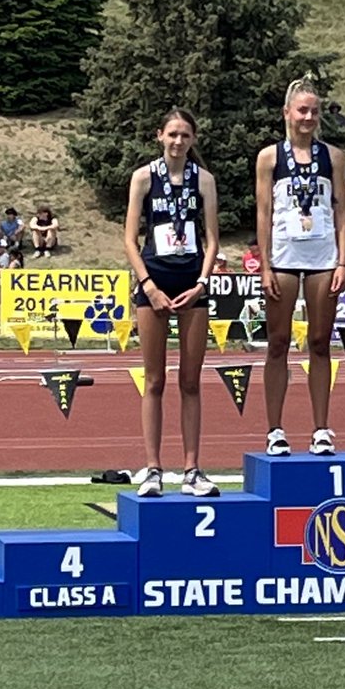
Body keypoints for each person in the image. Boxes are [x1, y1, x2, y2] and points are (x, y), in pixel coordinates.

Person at [124, 107, 221, 498]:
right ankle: (152, 469)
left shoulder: (205, 180)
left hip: (192, 282)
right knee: (154, 379)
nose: (178, 142)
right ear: (159, 136)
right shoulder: (144, 177)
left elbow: (212, 239)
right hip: (154, 280)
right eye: (172, 135)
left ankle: (192, 469)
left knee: (191, 381)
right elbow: (130, 238)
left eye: (185, 135)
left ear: (193, 139)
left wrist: (202, 282)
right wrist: (147, 286)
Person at [255, 76, 345, 455]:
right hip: (283, 258)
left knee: (319, 343)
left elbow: (340, 209)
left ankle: (321, 429)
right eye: (302, 110)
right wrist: (264, 264)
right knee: (277, 343)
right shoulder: (270, 157)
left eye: (314, 111)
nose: (308, 117)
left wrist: (343, 259)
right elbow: (263, 212)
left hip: (323, 258)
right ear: (287, 113)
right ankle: (275, 429)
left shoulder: (334, 157)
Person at [0, 246, 24, 328]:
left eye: (12, 255)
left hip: (6, 286)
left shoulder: (15, 263)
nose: (10, 257)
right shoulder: (15, 263)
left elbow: (8, 272)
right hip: (5, 286)